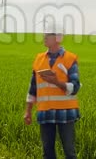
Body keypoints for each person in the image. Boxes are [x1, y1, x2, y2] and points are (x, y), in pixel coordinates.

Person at [24, 23, 81, 159]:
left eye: (48, 34)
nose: (44, 37)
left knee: (69, 152)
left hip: (66, 113)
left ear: (57, 38)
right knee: (47, 152)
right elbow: (33, 88)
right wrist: (28, 111)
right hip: (45, 112)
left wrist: (57, 82)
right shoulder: (38, 59)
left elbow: (76, 87)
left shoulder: (70, 59)